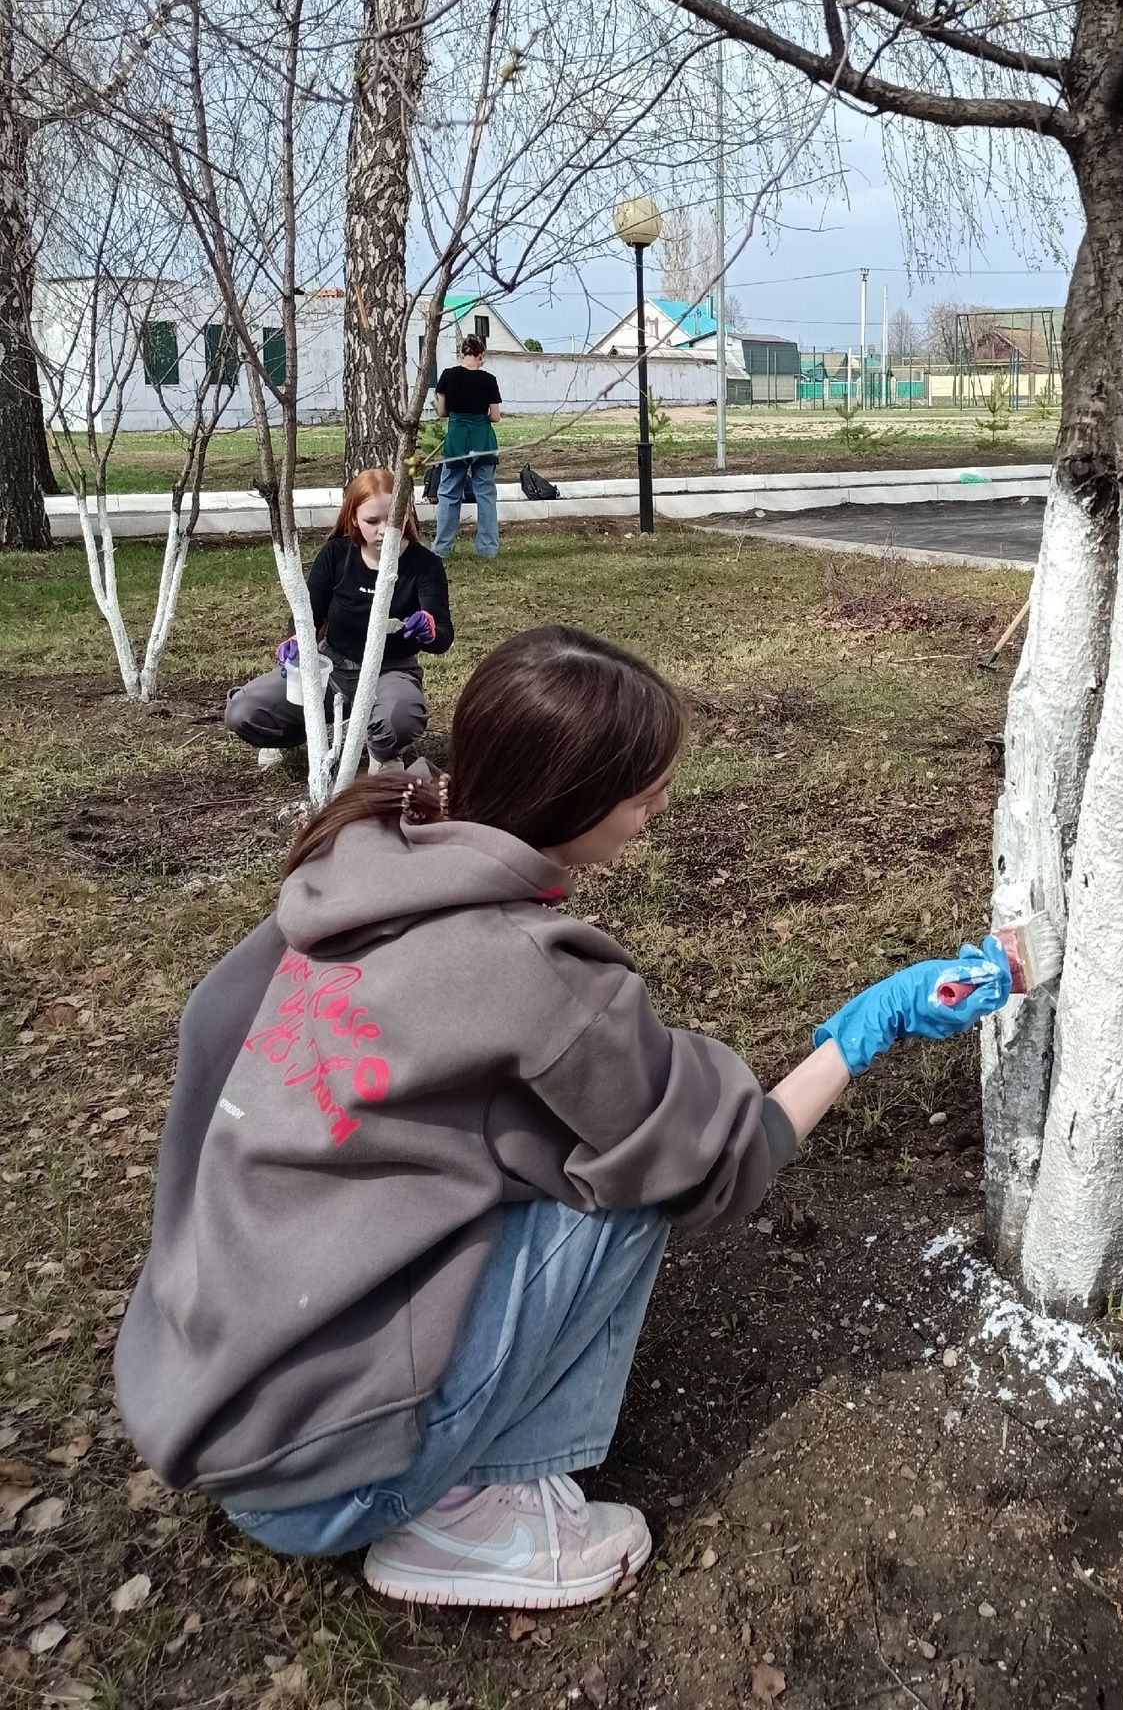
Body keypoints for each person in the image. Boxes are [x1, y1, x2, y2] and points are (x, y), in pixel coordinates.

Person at [117, 627, 1011, 1610]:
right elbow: (719, 1163)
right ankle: (478, 1521)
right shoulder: (536, 976)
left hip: (211, 1391)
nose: (660, 810)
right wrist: (867, 1028)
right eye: (643, 795)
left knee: (573, 1153)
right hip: (321, 1483)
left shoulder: (367, 855)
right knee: (630, 1183)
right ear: (571, 800)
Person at [225, 469, 453, 776]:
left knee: (400, 717)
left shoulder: (424, 565)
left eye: (393, 520)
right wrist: (294, 638)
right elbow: (309, 613)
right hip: (330, 669)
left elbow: (443, 637)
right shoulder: (336, 554)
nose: (384, 530)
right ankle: (299, 737)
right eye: (373, 521)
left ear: (407, 515)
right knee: (244, 712)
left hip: (391, 671)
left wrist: (428, 628)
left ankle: (383, 750)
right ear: (353, 518)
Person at [433, 332, 502, 558]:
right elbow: (495, 416)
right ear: (480, 354)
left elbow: (442, 412)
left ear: (462, 353)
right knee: (485, 494)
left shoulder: (448, 376)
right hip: (483, 438)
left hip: (456, 437)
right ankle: (488, 548)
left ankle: (442, 548)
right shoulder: (489, 379)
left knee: (449, 493)